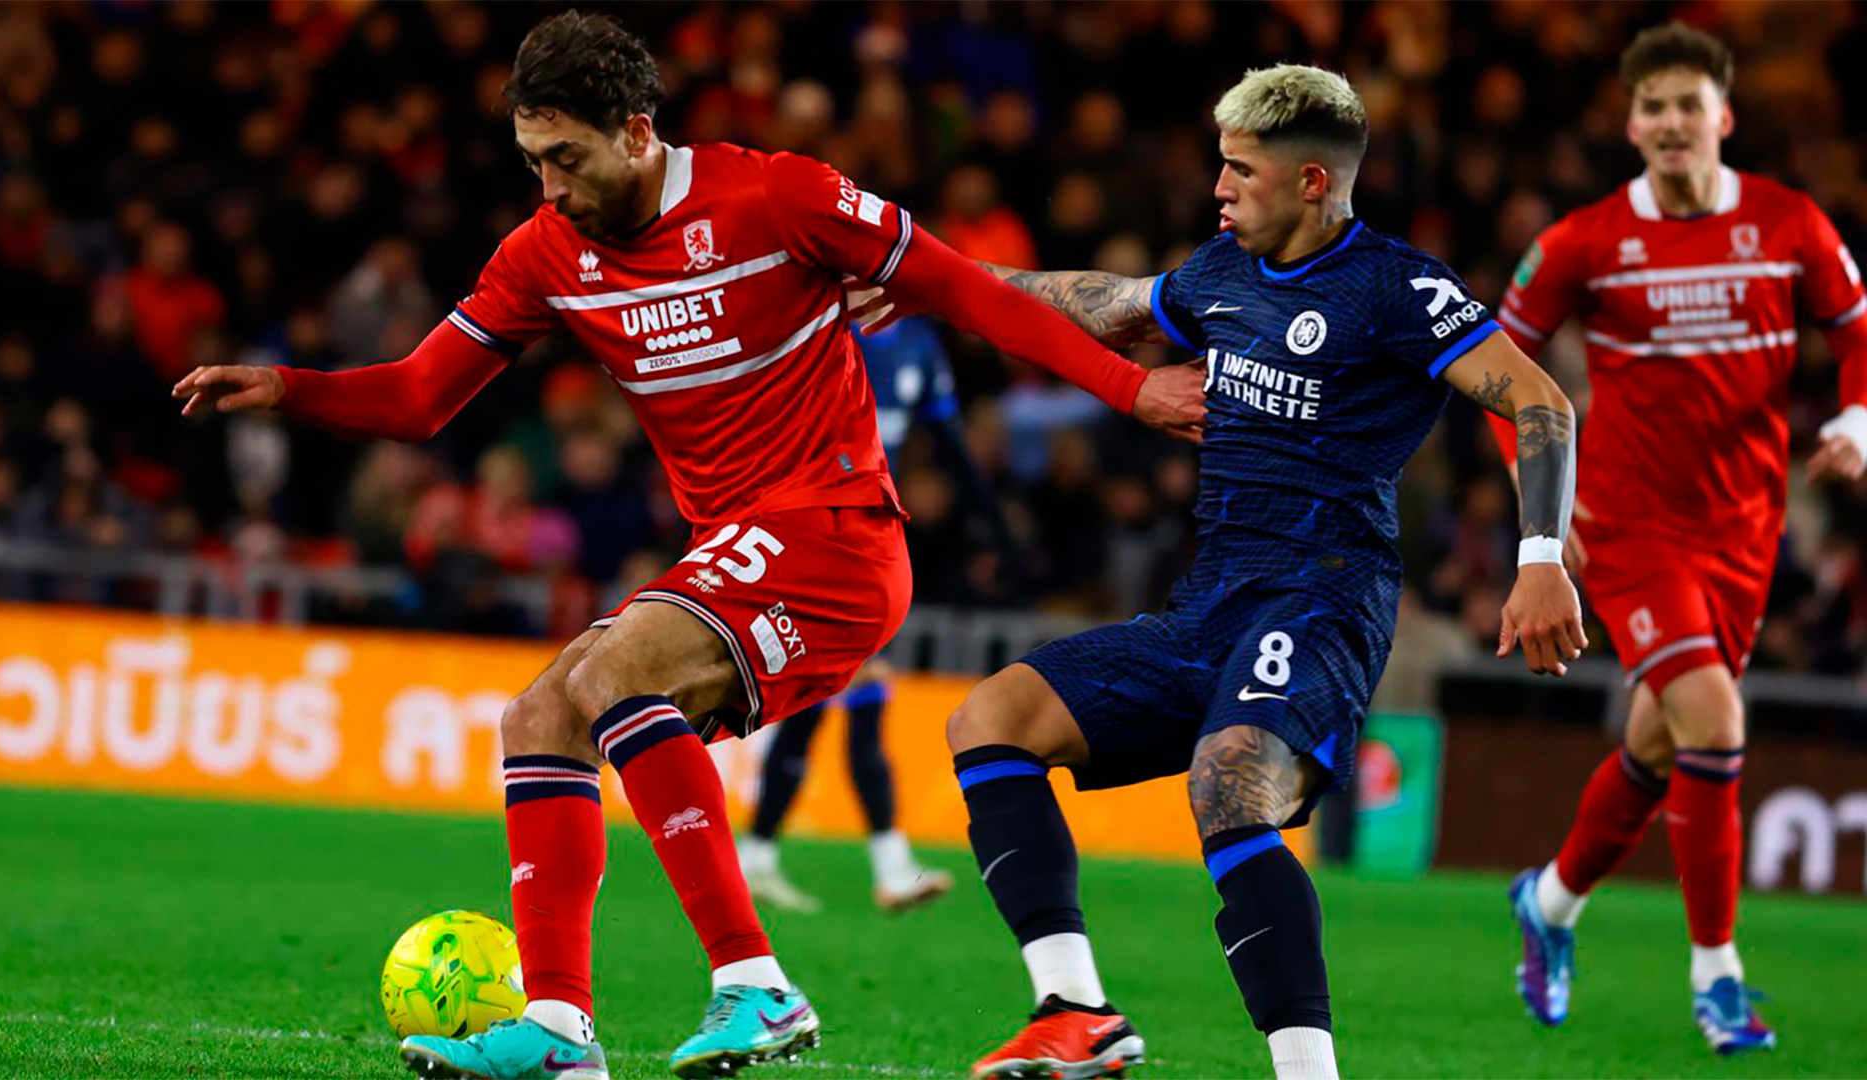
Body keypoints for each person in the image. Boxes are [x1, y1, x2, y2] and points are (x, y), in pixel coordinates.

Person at [171, 13, 1204, 1080]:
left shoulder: (777, 196)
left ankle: (757, 986)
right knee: (538, 717)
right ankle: (559, 1030)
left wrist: (1130, 389)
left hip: (836, 533)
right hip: (740, 548)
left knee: (613, 672)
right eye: (532, 162)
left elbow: (969, 291)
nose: (550, 188)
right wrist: (287, 388)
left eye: (566, 158)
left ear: (636, 131)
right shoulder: (545, 253)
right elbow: (419, 397)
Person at [929, 65, 1585, 1080]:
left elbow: (1540, 402)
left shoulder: (1397, 288)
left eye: (1240, 169)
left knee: (1229, 780)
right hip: (1212, 601)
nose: (1219, 188)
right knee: (991, 718)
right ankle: (1076, 1012)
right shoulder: (1221, 272)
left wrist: (1540, 559)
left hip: (1324, 593)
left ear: (1313, 181)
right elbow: (1109, 305)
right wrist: (935, 278)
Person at [1496, 22, 1866, 1055]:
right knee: (1714, 719)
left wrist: (1857, 417)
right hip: (1628, 527)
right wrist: (1540, 498)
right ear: (1631, 126)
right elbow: (1497, 363)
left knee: (1661, 743)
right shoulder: (1585, 241)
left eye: (1686, 105)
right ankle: (1719, 979)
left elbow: (1856, 325)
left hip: (1746, 530)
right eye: (1651, 107)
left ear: (1723, 116)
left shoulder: (1788, 223)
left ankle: (1550, 903)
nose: (1669, 123)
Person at [738, 318, 1011, 915]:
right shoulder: (825, 328)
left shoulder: (920, 343)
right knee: (857, 688)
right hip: (817, 524)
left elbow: (948, 445)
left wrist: (994, 527)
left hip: (869, 529)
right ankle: (885, 866)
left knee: (823, 699)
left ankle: (760, 856)